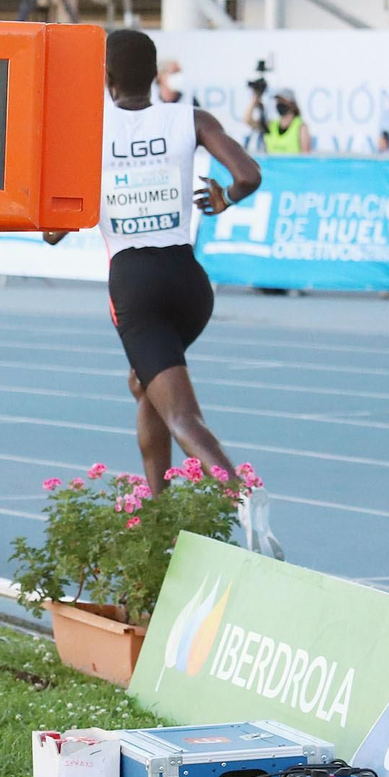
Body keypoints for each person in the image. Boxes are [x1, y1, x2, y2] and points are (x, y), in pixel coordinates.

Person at [44, 29, 260, 495]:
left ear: (106, 77)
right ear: (154, 73)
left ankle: (243, 497)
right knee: (145, 384)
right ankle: (159, 510)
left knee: (183, 416)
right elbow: (248, 175)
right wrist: (225, 198)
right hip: (188, 283)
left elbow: (54, 231)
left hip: (135, 285)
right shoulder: (191, 118)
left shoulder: (90, 131)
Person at [262, 88, 311, 154]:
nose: (279, 103)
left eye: (282, 101)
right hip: (272, 161)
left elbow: (305, 155)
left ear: (291, 103)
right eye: (278, 101)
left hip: (292, 161)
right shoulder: (271, 125)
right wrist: (255, 98)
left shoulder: (300, 126)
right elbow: (249, 120)